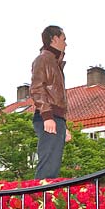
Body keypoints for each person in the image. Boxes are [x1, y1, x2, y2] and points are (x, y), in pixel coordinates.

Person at [30, 25, 72, 179]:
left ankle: (45, 198)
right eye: (63, 39)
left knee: (53, 166)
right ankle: (38, 199)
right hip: (47, 117)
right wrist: (47, 116)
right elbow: (36, 88)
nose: (66, 43)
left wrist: (63, 124)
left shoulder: (55, 63)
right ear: (54, 39)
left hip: (56, 118)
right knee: (48, 166)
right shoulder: (43, 60)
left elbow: (56, 96)